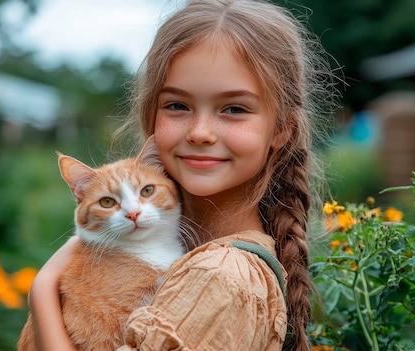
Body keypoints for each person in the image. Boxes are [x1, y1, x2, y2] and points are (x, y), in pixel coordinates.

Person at [27, 0, 338, 350]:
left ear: (282, 129)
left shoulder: (218, 277)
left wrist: (42, 291)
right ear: (152, 118)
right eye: (177, 105)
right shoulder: (183, 248)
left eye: (234, 108)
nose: (200, 133)